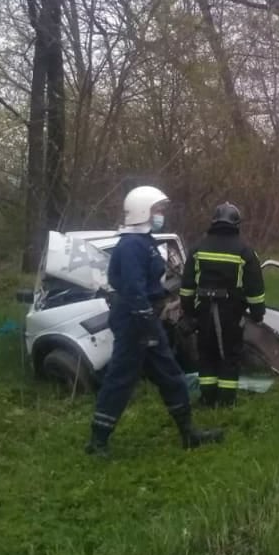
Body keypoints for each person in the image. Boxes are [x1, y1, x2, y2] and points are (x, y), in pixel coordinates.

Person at [87, 186, 224, 457]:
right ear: (142, 212)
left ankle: (188, 433)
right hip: (134, 320)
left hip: (146, 318)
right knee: (121, 378)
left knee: (170, 374)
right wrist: (147, 323)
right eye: (157, 210)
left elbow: (151, 283)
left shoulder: (144, 241)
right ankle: (97, 441)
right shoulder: (130, 246)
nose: (161, 214)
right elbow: (133, 289)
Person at [179, 202, 266, 408]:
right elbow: (255, 288)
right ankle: (226, 402)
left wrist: (190, 313)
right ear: (237, 223)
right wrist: (257, 314)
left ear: (214, 221)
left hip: (203, 311)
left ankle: (207, 398)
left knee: (206, 354)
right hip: (231, 312)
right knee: (230, 355)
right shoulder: (245, 251)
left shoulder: (197, 249)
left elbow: (187, 287)